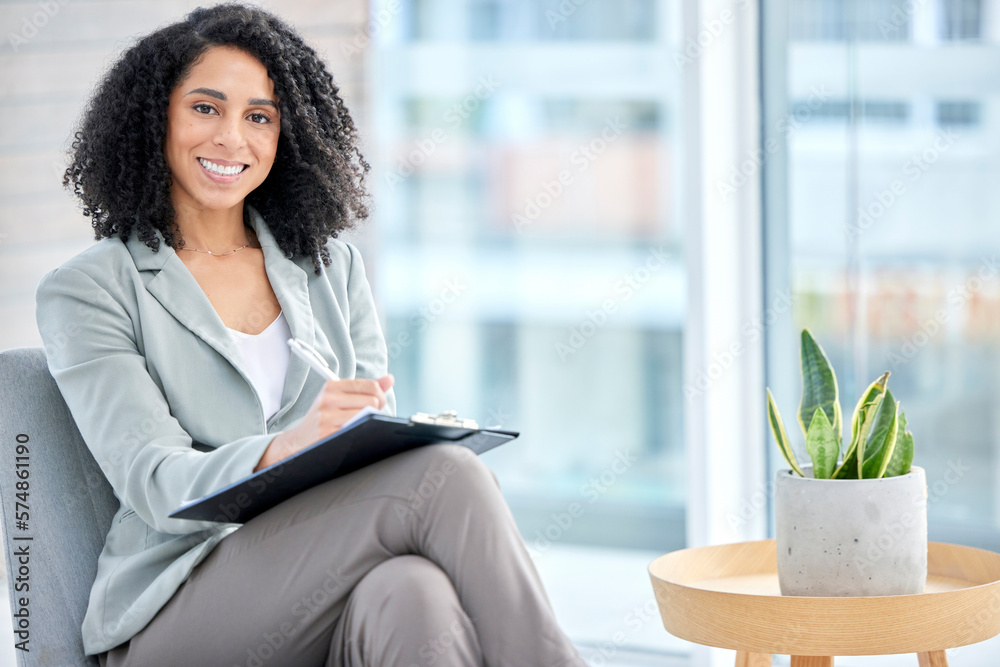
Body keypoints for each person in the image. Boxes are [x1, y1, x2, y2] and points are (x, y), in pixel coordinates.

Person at [34, 4, 585, 666]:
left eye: (259, 117)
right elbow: (156, 482)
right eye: (206, 108)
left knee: (414, 592)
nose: (232, 138)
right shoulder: (91, 288)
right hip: (177, 609)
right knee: (444, 477)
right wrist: (284, 447)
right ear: (156, 118)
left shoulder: (330, 266)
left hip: (319, 580)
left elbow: (370, 445)